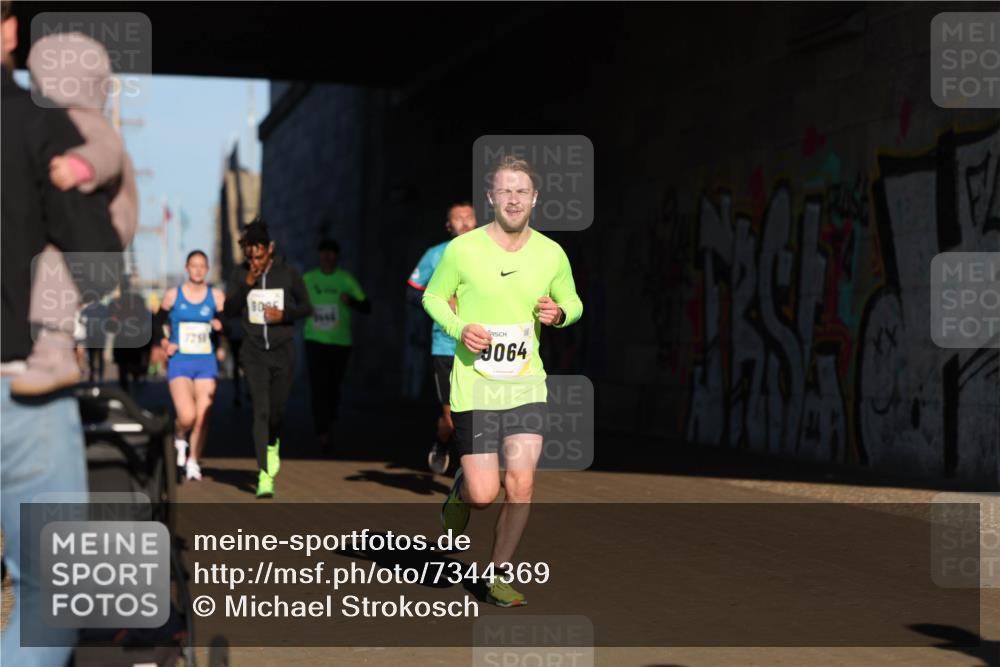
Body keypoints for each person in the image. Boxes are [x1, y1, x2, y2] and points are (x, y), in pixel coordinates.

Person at [0, 3, 124, 664]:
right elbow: (97, 262)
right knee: (49, 594)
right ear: (11, 31)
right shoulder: (38, 125)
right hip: (18, 384)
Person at [423, 156, 582, 607]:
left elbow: (573, 302)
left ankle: (498, 574)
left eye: (521, 191)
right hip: (475, 383)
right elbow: (434, 297)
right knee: (483, 493)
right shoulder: (464, 249)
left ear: (535, 198)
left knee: (522, 484)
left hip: (526, 384)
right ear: (491, 198)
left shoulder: (551, 253)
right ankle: (460, 489)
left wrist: (561, 313)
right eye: (505, 191)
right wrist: (459, 328)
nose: (513, 199)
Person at [11, 32, 138, 396]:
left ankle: (56, 351)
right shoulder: (51, 120)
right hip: (75, 224)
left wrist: (78, 167)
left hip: (109, 218)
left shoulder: (86, 121)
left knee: (54, 267)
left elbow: (107, 154)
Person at [223, 220, 312, 498]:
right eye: (250, 255)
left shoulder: (288, 273)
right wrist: (247, 284)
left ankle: (273, 443)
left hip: (283, 351)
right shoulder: (240, 274)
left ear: (269, 250)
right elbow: (229, 309)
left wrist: (284, 315)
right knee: (259, 412)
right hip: (253, 354)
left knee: (276, 413)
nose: (255, 260)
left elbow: (307, 307)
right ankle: (264, 474)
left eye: (259, 254)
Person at [407, 202, 476, 473]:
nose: (464, 222)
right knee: (451, 417)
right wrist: (439, 301)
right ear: (449, 226)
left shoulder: (491, 253)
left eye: (469, 217)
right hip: (446, 345)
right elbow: (412, 292)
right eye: (458, 219)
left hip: (484, 345)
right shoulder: (435, 255)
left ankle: (469, 469)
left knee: (480, 412)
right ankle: (442, 441)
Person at [155, 251, 225, 481]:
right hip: (180, 362)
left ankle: (193, 460)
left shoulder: (216, 296)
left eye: (202, 266)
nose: (197, 270)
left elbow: (229, 324)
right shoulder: (173, 295)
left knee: (203, 415)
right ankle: (179, 434)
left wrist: (219, 326)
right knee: (187, 415)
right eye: (193, 265)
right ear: (187, 268)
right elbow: (156, 323)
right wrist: (165, 343)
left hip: (206, 362)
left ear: (207, 269)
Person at [303, 238, 370, 454]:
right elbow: (293, 302)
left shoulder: (346, 280)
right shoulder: (308, 279)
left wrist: (350, 301)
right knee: (318, 386)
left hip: (340, 343)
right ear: (320, 256)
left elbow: (367, 306)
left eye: (332, 254)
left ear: (337, 257)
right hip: (314, 341)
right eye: (324, 253)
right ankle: (322, 431)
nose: (328, 258)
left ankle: (329, 420)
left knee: (333, 387)